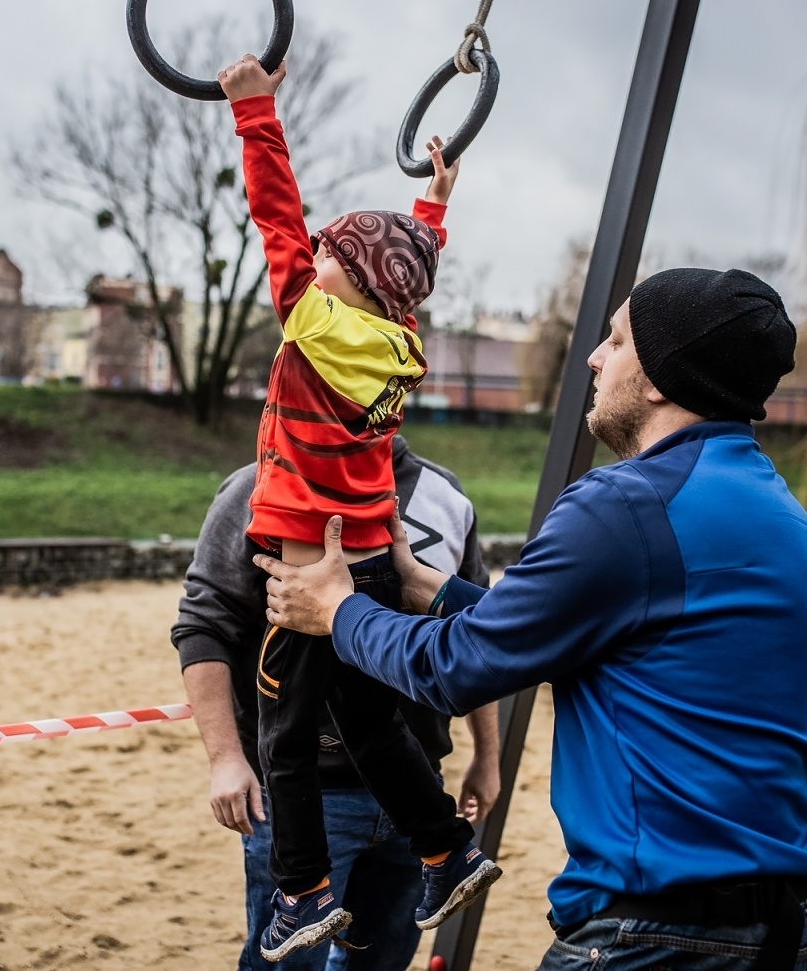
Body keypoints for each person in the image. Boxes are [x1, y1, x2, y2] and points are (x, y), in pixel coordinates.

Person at [255, 268, 807, 971]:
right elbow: (580, 634)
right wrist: (432, 590)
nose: (594, 358)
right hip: (797, 927)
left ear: (661, 378)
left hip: (661, 933)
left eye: (616, 342)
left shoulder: (625, 506)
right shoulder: (778, 513)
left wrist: (338, 611)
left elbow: (455, 670)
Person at [218, 53, 501, 962]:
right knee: (373, 725)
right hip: (371, 561)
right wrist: (432, 211)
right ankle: (447, 850)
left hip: (311, 570)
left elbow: (275, 215)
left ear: (352, 284)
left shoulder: (313, 324)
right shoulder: (396, 336)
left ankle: (302, 893)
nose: (316, 257)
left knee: (284, 737)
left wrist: (255, 113)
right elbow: (405, 270)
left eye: (332, 256)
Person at [172, 435, 502, 971]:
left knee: (382, 961)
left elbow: (475, 634)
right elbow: (203, 625)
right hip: (311, 797)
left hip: (417, 786)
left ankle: (443, 854)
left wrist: (487, 757)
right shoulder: (257, 485)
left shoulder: (444, 493)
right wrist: (226, 757)